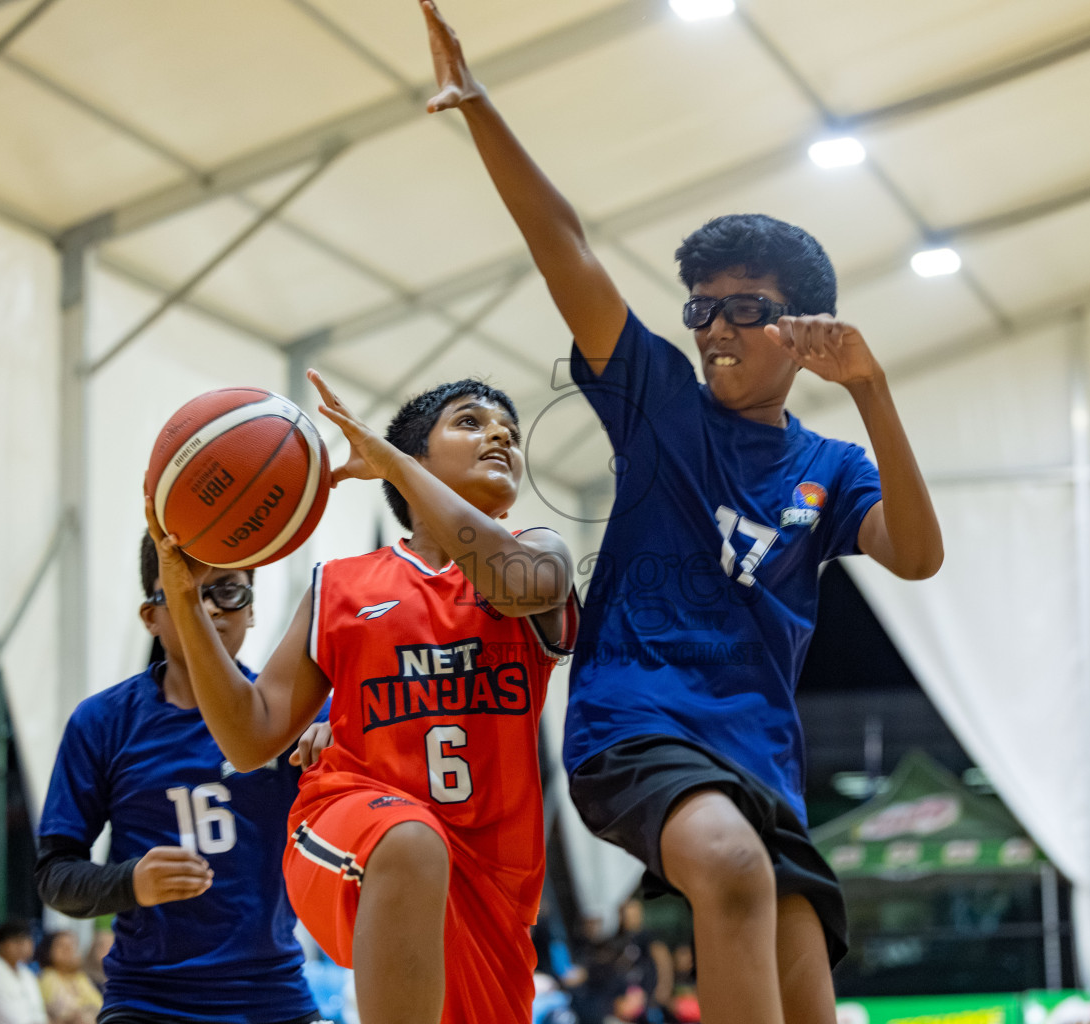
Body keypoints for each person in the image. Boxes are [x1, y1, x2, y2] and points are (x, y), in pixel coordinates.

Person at [420, 5, 944, 1022]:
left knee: (805, 993)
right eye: (700, 306)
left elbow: (917, 557)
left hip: (763, 759)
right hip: (636, 722)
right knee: (732, 869)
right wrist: (480, 108)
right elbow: (564, 245)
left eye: (742, 308)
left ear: (801, 331)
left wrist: (875, 393)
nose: (712, 328)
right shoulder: (659, 403)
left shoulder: (831, 466)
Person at [146, 372, 576, 1024]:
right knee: (409, 838)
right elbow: (251, 733)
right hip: (351, 827)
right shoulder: (340, 586)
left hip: (490, 884)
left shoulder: (537, 553)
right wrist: (183, 595)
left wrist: (393, 467)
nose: (500, 435)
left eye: (511, 433)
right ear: (414, 457)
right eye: (470, 421)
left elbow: (514, 584)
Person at [36, 537, 330, 1024]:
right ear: (150, 617)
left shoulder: (299, 716)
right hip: (147, 1000)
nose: (210, 607)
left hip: (272, 995)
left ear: (252, 610)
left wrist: (341, 754)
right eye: (186, 592)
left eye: (230, 591)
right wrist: (130, 882)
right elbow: (54, 876)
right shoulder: (102, 723)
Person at [35, 933, 100, 1024]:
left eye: (72, 946)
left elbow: (99, 1005)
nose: (68, 950)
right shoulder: (48, 977)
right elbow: (64, 1012)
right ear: (49, 951)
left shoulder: (80, 976)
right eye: (61, 946)